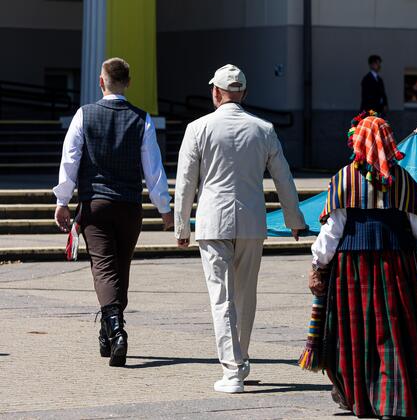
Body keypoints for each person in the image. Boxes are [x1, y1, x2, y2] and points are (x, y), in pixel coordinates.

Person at [307, 114, 417, 419]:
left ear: (357, 142)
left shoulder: (344, 178)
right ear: (390, 141)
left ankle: (359, 400)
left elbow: (331, 232)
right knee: (394, 333)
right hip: (395, 268)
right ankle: (393, 403)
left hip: (351, 269)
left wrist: (317, 265)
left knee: (353, 334)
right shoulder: (403, 181)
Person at [174, 64, 306, 393]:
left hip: (212, 221)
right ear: (244, 93)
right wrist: (294, 220)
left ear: (216, 92)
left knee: (222, 298)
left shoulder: (198, 127)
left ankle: (232, 369)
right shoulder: (263, 129)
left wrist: (181, 226)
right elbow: (284, 179)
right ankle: (240, 360)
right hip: (251, 222)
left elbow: (186, 182)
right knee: (246, 296)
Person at [53, 57, 173, 367]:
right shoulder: (142, 119)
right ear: (128, 83)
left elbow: (71, 160)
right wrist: (165, 209)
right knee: (121, 269)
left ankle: (116, 330)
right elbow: (153, 168)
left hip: (96, 204)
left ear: (100, 81)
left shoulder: (85, 115)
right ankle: (109, 332)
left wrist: (62, 200)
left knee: (104, 269)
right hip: (130, 206)